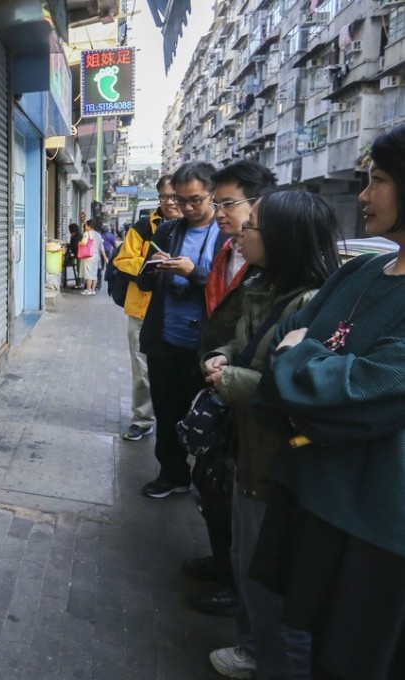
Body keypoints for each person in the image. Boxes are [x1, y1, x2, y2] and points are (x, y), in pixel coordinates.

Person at [249, 126, 405, 679]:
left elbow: (370, 397)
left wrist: (301, 367)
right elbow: (285, 340)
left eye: (380, 181)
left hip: (373, 522)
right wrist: (310, 376)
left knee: (349, 660)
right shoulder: (363, 270)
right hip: (312, 491)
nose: (363, 196)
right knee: (297, 630)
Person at [202, 191, 339, 680]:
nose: (240, 231)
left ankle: (272, 659)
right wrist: (221, 355)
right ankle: (253, 648)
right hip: (249, 448)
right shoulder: (264, 286)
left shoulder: (310, 304)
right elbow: (246, 345)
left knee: (269, 579)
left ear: (282, 238)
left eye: (252, 226)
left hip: (276, 462)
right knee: (247, 561)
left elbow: (297, 384)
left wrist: (232, 380)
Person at [185, 161, 278, 619]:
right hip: (219, 376)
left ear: (257, 203)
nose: (220, 212)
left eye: (227, 203)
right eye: (216, 202)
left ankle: (236, 584)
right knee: (212, 479)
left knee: (233, 488)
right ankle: (222, 560)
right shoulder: (230, 251)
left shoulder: (275, 267)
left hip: (245, 398)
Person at [136, 161, 224, 498]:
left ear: (212, 195)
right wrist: (154, 268)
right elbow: (142, 278)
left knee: (206, 417)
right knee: (166, 411)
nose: (187, 207)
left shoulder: (226, 234)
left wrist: (193, 272)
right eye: (180, 200)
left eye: (195, 200)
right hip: (165, 338)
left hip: (205, 345)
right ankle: (172, 473)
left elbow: (229, 286)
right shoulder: (168, 231)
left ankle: (208, 481)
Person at [113, 175, 182, 442]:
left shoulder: (196, 228)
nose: (170, 202)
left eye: (175, 197)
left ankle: (179, 421)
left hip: (179, 311)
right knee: (142, 371)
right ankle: (142, 419)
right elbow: (123, 260)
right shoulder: (143, 227)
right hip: (142, 309)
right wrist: (150, 263)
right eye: (165, 197)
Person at [79, 220, 106, 296]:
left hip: (89, 255)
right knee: (94, 273)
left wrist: (79, 243)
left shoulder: (87, 233)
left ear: (89, 226)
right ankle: (93, 290)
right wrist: (105, 257)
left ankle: (88, 290)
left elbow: (84, 242)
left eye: (86, 225)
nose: (85, 226)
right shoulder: (98, 235)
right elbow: (101, 247)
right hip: (96, 256)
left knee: (88, 273)